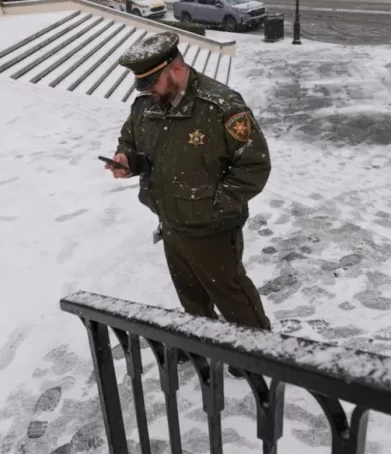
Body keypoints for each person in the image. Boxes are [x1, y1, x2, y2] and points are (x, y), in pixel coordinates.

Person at [106, 32, 272, 376]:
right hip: (170, 220)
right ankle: (207, 343)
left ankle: (258, 357)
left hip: (212, 227)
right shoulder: (146, 105)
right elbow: (132, 141)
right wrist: (127, 160)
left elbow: (254, 165)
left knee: (232, 295)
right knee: (192, 297)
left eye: (153, 82)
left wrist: (214, 206)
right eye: (143, 84)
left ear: (177, 68)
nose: (148, 90)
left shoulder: (222, 106)